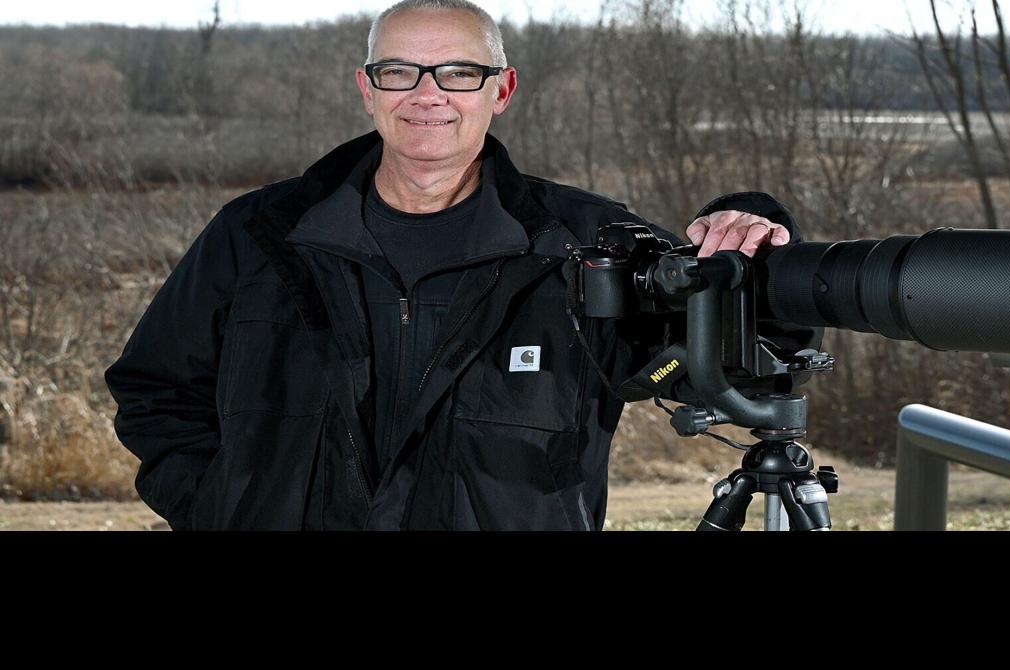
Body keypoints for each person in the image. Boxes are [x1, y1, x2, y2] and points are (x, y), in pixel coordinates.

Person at [105, 0, 803, 530]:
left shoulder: (586, 244)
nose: (428, 94)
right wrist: (218, 507)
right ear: (367, 87)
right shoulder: (260, 235)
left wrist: (748, 230)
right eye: (399, 71)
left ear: (501, 89)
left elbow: (754, 359)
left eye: (459, 72)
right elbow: (154, 389)